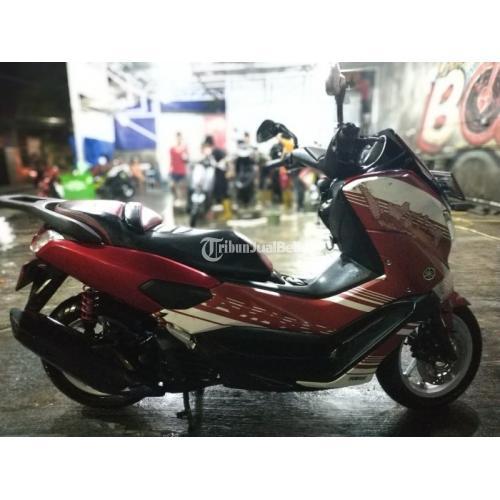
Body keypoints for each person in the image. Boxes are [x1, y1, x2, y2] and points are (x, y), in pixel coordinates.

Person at [169, 132, 188, 205]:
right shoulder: (172, 149)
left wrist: (185, 157)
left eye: (180, 138)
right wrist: (170, 169)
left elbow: (186, 160)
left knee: (181, 187)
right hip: (174, 170)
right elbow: (171, 160)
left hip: (182, 171)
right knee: (173, 186)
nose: (178, 139)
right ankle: (176, 198)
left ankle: (181, 200)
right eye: (177, 138)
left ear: (181, 138)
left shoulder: (184, 148)